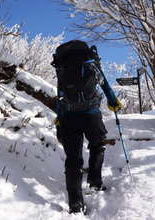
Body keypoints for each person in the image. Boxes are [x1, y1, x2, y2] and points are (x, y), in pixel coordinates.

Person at [51, 40, 122, 214]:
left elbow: (60, 93)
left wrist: (59, 119)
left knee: (73, 158)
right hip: (91, 114)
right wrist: (113, 102)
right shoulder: (91, 61)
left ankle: (75, 203)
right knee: (97, 144)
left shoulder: (63, 66)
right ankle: (95, 182)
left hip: (68, 115)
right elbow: (104, 83)